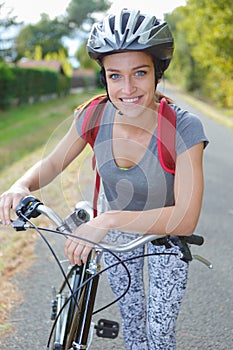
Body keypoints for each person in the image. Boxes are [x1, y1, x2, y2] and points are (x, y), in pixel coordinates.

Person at [0, 9, 208, 350]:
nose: (127, 88)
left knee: (158, 336)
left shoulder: (185, 128)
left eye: (139, 73)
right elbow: (50, 165)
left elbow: (185, 218)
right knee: (133, 326)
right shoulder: (94, 114)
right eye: (115, 76)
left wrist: (107, 219)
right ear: (104, 79)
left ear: (158, 73)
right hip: (116, 236)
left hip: (164, 239)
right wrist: (19, 185)